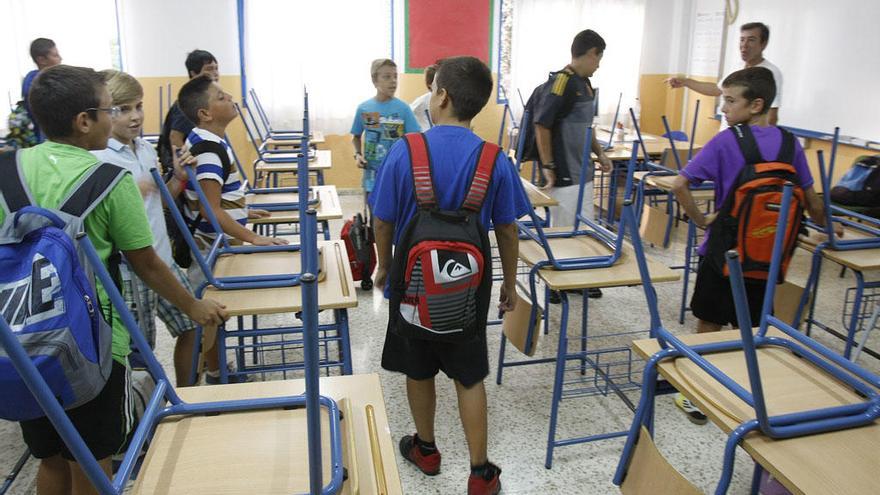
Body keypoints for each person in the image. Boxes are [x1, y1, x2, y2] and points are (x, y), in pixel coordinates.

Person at [7, 64, 227, 495]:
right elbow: (144, 262)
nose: (116, 117)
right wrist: (194, 306)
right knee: (90, 460)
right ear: (84, 121)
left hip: (24, 340)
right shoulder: (110, 178)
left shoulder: (7, 171)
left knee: (49, 457)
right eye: (109, 110)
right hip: (93, 343)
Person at [370, 56, 530, 495]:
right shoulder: (495, 159)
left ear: (440, 96)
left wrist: (383, 266)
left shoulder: (406, 150)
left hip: (412, 284)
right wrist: (509, 283)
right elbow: (509, 229)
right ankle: (480, 473)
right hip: (468, 288)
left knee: (417, 370)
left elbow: (382, 220)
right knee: (469, 374)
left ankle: (426, 448)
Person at [669, 66, 840, 424]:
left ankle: (699, 396)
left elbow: (678, 184)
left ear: (756, 104)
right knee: (751, 328)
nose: (724, 110)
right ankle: (750, 397)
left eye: (731, 102)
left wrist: (701, 221)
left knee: (708, 322)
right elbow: (811, 202)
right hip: (767, 255)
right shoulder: (791, 144)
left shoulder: (726, 140)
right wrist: (831, 229)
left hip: (723, 253)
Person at [92, 69, 201, 386]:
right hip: (133, 266)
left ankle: (188, 395)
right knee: (141, 350)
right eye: (122, 109)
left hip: (162, 258)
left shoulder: (144, 148)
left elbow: (163, 202)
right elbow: (105, 219)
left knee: (193, 325)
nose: (135, 116)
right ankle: (146, 415)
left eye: (138, 106)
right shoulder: (100, 158)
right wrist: (129, 196)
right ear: (102, 114)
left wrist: (177, 176)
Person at [176, 75, 286, 384]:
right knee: (213, 314)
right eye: (221, 97)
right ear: (205, 113)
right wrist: (253, 237)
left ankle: (215, 371)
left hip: (217, 244)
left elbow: (216, 198)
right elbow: (210, 210)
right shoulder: (209, 148)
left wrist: (243, 210)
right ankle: (213, 375)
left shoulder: (209, 141)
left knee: (215, 315)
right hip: (211, 249)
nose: (230, 99)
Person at [532, 28, 612, 298]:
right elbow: (541, 124)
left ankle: (580, 277)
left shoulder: (586, 84)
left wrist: (600, 153)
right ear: (590, 53)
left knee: (585, 228)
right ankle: (557, 283)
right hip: (565, 172)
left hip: (584, 171)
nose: (599, 65)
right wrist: (548, 166)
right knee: (563, 230)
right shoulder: (562, 82)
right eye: (599, 58)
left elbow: (585, 126)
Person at [667, 22, 783, 126]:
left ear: (763, 44)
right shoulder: (736, 66)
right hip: (728, 134)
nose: (744, 45)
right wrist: (686, 82)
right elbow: (717, 89)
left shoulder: (770, 72)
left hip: (748, 141)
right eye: (742, 39)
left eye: (751, 40)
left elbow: (772, 116)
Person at [351, 58, 420, 205]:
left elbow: (415, 139)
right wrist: (357, 155)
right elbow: (356, 137)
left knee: (395, 218)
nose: (393, 81)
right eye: (387, 77)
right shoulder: (365, 108)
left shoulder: (403, 109)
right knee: (375, 219)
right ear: (374, 80)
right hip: (372, 177)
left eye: (395, 76)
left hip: (397, 175)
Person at [158, 49, 220, 170]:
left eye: (216, 68)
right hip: (182, 169)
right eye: (209, 69)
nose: (215, 73)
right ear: (193, 73)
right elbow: (175, 137)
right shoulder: (188, 102)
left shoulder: (204, 100)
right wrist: (187, 167)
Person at [20, 38, 63, 143]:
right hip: (49, 136)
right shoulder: (38, 83)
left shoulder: (30, 78)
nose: (60, 59)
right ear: (41, 60)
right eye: (55, 55)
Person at [410, 64, 438, 131]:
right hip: (426, 134)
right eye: (438, 82)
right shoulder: (423, 100)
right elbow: (409, 111)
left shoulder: (444, 99)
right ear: (430, 84)